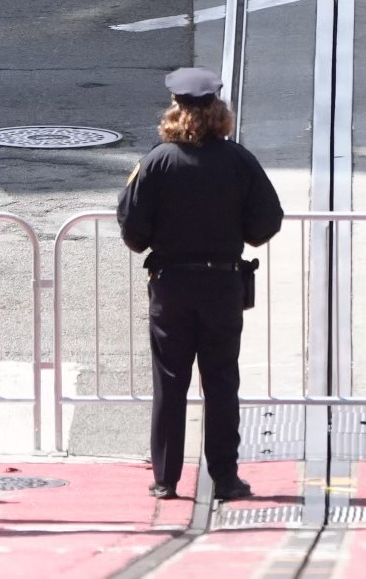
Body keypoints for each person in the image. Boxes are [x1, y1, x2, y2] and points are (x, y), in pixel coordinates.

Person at [117, 67, 284, 502]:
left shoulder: (156, 162)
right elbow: (267, 221)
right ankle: (225, 477)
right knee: (222, 380)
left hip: (171, 284)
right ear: (219, 111)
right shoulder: (238, 160)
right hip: (222, 283)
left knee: (170, 381)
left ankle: (166, 478)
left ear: (176, 109)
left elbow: (133, 232)